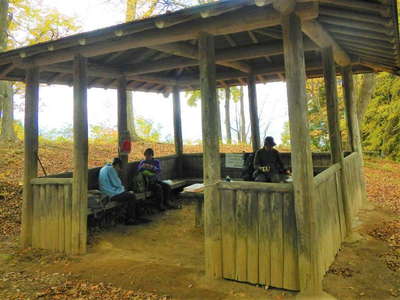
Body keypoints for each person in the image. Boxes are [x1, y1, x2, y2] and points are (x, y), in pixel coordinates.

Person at [99, 157, 150, 225]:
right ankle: (130, 219)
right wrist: (125, 191)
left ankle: (133, 217)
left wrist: (124, 191)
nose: (119, 170)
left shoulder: (105, 168)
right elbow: (117, 184)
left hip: (108, 192)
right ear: (117, 165)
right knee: (131, 196)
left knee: (129, 196)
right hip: (110, 194)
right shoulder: (111, 169)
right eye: (119, 168)